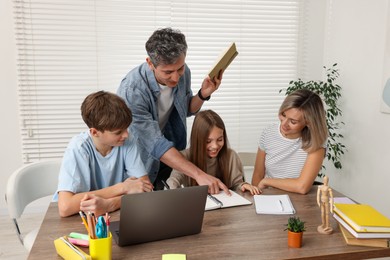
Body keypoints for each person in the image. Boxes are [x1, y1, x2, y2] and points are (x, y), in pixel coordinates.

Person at [117, 27, 228, 194]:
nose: (176, 77)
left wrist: (203, 94)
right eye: (168, 72)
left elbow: (186, 109)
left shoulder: (184, 72)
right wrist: (198, 174)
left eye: (180, 69)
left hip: (170, 155)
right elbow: (154, 143)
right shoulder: (133, 91)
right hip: (141, 160)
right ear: (150, 63)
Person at [54, 91, 153, 217]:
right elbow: (65, 207)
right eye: (118, 132)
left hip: (108, 215)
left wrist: (111, 204)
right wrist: (123, 188)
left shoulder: (128, 141)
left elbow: (145, 189)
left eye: (126, 128)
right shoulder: (78, 148)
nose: (126, 135)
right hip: (76, 218)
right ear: (95, 132)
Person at [251, 89, 328, 194]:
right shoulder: (268, 133)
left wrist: (267, 181)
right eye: (283, 115)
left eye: (293, 121)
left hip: (300, 200)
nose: (284, 124)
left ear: (309, 122)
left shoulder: (316, 141)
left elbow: (302, 187)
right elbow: (257, 176)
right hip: (269, 196)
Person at [167, 110, 260, 195]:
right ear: (197, 140)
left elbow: (237, 184)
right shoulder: (184, 157)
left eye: (220, 139)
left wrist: (243, 186)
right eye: (208, 141)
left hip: (225, 210)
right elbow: (173, 181)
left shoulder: (231, 156)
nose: (215, 146)